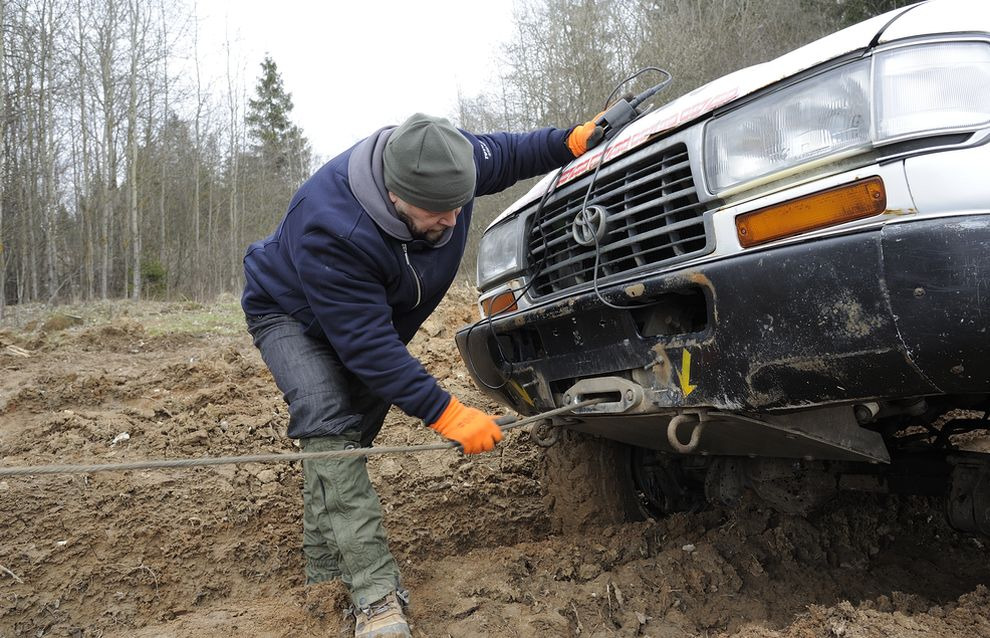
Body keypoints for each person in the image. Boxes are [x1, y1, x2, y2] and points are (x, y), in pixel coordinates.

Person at [241, 112, 603, 637]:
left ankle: (322, 575)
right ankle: (374, 594)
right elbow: (369, 349)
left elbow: (511, 153)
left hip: (369, 317)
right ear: (395, 195)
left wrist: (568, 141)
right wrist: (447, 413)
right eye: (437, 212)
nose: (453, 221)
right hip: (289, 313)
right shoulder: (333, 226)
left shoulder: (447, 165)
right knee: (325, 414)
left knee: (347, 443)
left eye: (460, 205)